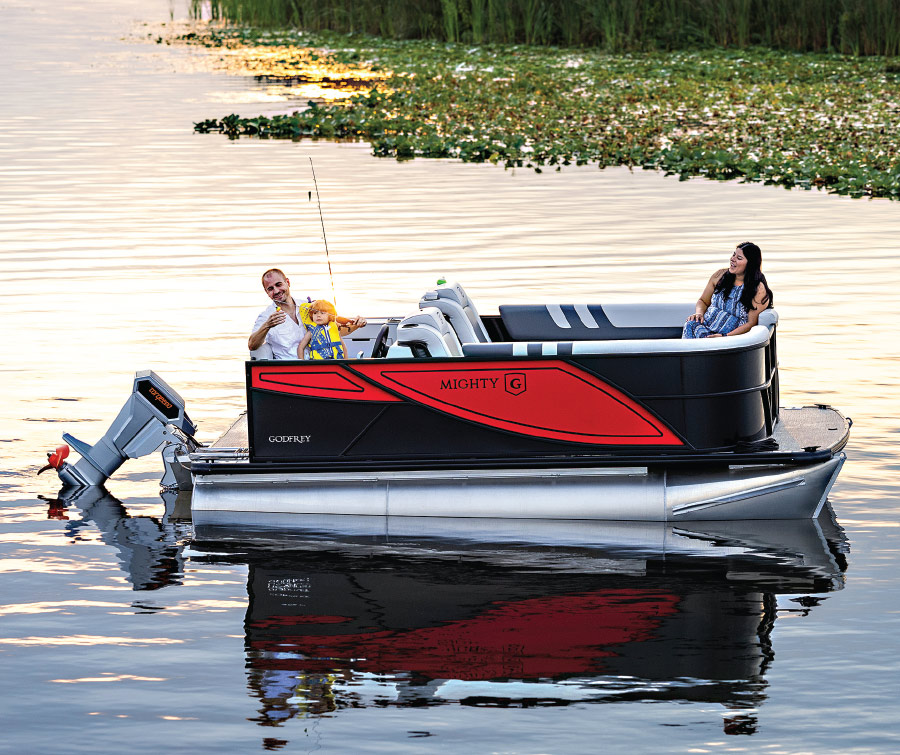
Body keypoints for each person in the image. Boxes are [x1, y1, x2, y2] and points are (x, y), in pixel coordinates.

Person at [248, 269, 366, 359]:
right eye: (270, 288)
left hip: (318, 366)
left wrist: (357, 324)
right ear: (266, 292)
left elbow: (335, 330)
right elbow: (252, 345)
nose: (276, 291)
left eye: (279, 285)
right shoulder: (266, 316)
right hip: (289, 372)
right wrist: (267, 325)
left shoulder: (309, 307)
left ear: (287, 282)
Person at [683, 242, 773, 339]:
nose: (732, 259)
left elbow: (751, 323)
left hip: (730, 338)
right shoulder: (719, 275)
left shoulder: (758, 289)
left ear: (750, 264)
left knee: (709, 343)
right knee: (690, 324)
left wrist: (725, 336)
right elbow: (703, 301)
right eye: (733, 254)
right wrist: (699, 313)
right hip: (705, 327)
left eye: (739, 258)